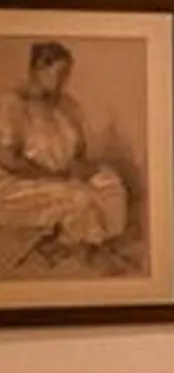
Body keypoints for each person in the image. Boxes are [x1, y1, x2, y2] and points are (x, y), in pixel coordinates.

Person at [0, 41, 131, 265]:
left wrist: (84, 169)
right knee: (79, 197)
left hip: (64, 174)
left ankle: (100, 242)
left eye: (66, 74)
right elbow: (8, 160)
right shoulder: (11, 105)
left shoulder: (68, 106)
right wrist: (57, 176)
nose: (63, 81)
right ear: (37, 69)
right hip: (20, 182)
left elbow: (78, 154)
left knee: (111, 185)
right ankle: (73, 247)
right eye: (58, 73)